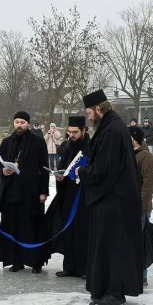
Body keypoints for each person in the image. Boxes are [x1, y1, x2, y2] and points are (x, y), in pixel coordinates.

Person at [76, 90, 144, 305]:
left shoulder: (113, 131)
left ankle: (115, 293)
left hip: (115, 202)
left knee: (114, 248)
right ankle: (105, 288)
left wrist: (83, 173)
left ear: (98, 109)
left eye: (89, 112)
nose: (88, 117)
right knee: (106, 247)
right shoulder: (111, 127)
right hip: (111, 201)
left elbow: (105, 168)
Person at [0, 111, 50, 273]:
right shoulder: (6, 142)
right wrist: (3, 171)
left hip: (31, 193)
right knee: (13, 226)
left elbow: (45, 168)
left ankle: (36, 262)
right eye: (17, 122)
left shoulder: (37, 142)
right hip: (11, 192)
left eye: (22, 122)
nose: (19, 125)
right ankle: (16, 261)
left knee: (32, 227)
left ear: (28, 124)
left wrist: (43, 192)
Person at [48, 116, 91, 279]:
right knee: (69, 231)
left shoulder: (91, 147)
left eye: (75, 132)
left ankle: (85, 268)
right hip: (67, 194)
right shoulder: (67, 146)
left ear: (84, 131)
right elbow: (62, 167)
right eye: (69, 132)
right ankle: (69, 266)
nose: (71, 135)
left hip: (84, 196)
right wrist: (59, 176)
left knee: (83, 232)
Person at [129, 126, 153, 286]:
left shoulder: (146, 157)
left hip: (140, 208)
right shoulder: (130, 154)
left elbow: (148, 186)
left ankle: (141, 275)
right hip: (128, 206)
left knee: (140, 241)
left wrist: (141, 208)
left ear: (133, 139)